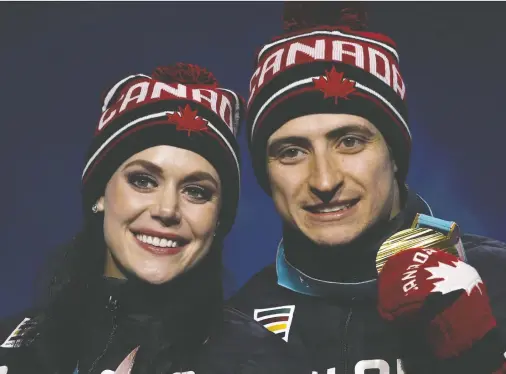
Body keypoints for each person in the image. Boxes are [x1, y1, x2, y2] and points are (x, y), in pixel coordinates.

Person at [229, 2, 506, 374]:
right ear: (265, 175)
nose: (324, 180)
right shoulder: (234, 327)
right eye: (291, 152)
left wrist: (483, 359)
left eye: (350, 142)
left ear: (396, 156)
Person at [0, 63, 306, 374]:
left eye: (197, 191)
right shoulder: (11, 347)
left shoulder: (260, 363)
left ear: (218, 220)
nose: (167, 209)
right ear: (99, 194)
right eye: (143, 181)